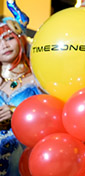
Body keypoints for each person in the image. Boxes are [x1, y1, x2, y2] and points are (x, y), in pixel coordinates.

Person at [0, 17, 42, 176]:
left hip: (27, 159)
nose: (4, 45)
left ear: (21, 39)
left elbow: (53, 116)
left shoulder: (38, 79)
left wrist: (16, 113)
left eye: (9, 38)